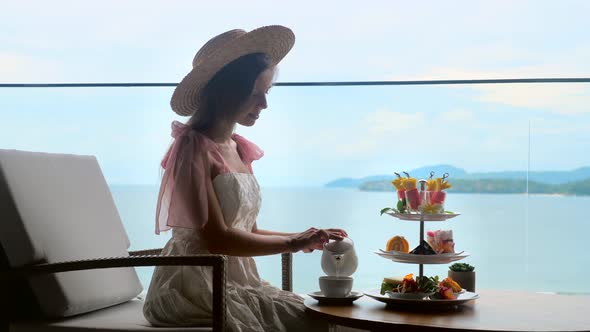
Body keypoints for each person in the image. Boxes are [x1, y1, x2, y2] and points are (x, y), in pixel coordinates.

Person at [143, 25, 347, 331]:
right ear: (227, 92)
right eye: (255, 94)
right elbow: (217, 239)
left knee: (325, 317)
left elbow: (248, 230)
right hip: (196, 282)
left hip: (237, 276)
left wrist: (307, 236)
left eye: (267, 93)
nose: (264, 104)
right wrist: (292, 242)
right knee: (311, 322)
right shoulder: (192, 148)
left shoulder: (239, 148)